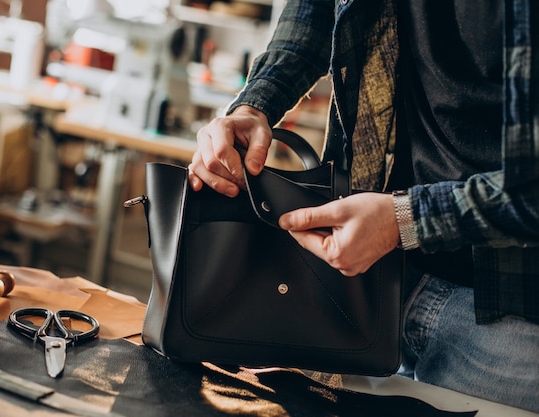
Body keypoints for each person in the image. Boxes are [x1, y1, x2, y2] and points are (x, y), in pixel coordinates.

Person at [187, 0, 539, 412]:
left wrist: (406, 219)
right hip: (373, 280)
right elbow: (316, 11)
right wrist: (255, 103)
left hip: (508, 316)